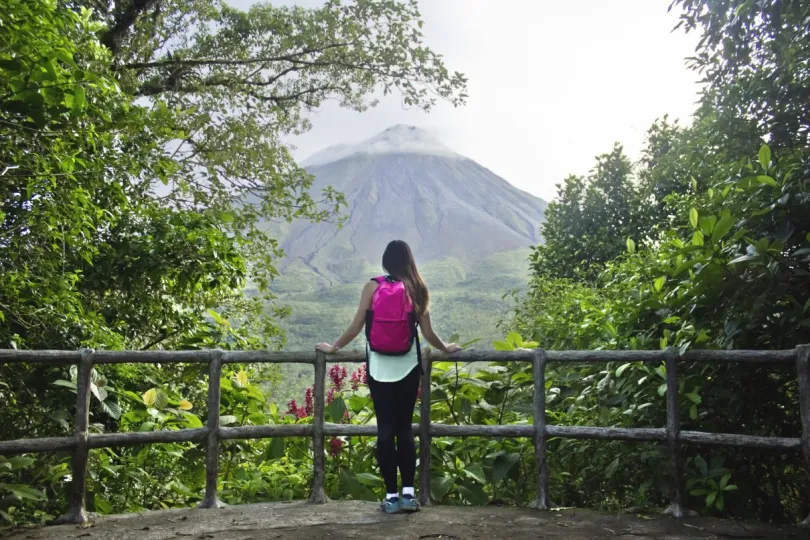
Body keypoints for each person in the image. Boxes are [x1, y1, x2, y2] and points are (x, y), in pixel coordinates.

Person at [316, 240, 461, 513]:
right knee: (405, 430)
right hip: (407, 367)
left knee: (385, 432)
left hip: (379, 367)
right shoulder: (418, 288)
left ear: (385, 261)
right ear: (409, 261)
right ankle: (409, 495)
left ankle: (391, 497)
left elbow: (357, 325)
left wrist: (333, 347)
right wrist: (446, 348)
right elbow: (428, 334)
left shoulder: (373, 286)